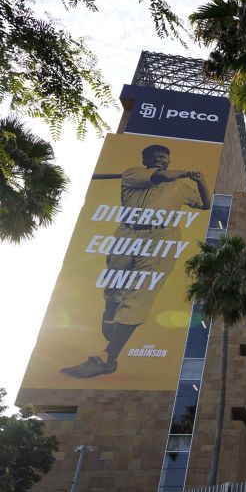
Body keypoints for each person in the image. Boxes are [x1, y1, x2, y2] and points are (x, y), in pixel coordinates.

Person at [61, 144, 211, 379]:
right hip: (128, 232)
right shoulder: (134, 173)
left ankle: (107, 358)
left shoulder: (180, 187)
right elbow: (159, 176)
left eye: (164, 156)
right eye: (154, 156)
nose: (160, 159)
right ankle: (110, 315)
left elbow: (205, 204)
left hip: (162, 236)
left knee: (141, 294)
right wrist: (183, 173)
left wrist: (200, 181)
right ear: (145, 160)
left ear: (169, 160)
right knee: (114, 286)